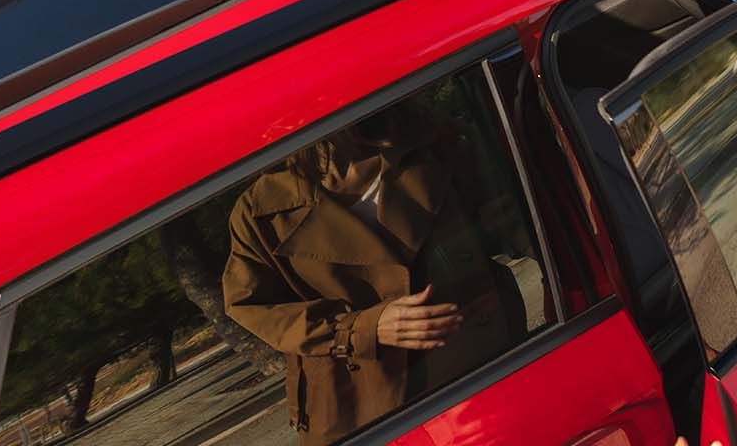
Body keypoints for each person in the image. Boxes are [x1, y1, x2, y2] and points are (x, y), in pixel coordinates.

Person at [220, 104, 516, 445]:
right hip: (362, 408)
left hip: (481, 369)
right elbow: (251, 306)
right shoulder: (260, 212)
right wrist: (363, 328)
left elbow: (503, 219)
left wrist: (495, 232)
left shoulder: (434, 144)